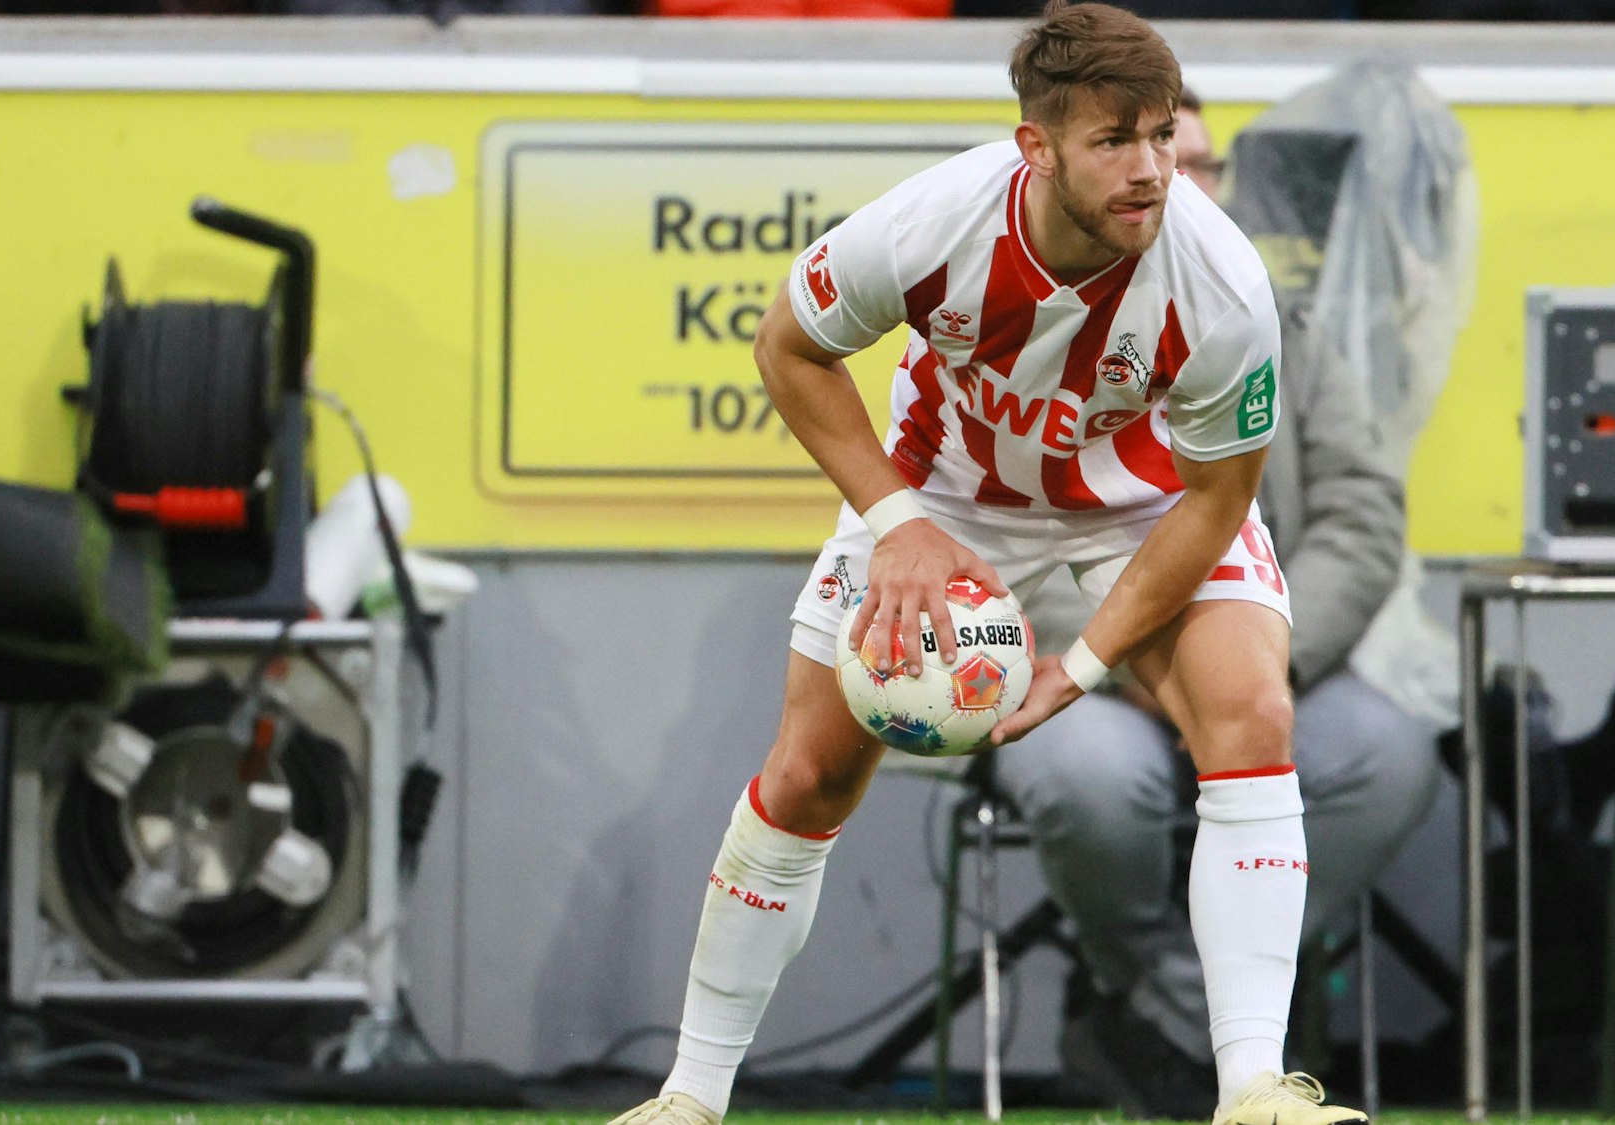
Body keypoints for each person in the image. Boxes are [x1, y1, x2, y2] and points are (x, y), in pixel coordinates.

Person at [608, 5, 1366, 1124]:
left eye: (1161, 136)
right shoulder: (932, 225)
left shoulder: (1222, 286)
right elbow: (789, 346)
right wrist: (899, 523)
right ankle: (687, 1100)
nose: (1151, 170)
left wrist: (1087, 664)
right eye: (1114, 141)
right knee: (807, 774)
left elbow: (1215, 502)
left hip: (1139, 509)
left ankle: (1253, 1088)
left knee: (1251, 711)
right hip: (944, 500)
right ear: (1036, 148)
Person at [994, 92, 1441, 1120]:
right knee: (1089, 786)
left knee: (1384, 759)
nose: (1174, 186)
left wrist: (1262, 664)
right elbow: (992, 532)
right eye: (1144, 159)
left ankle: (1154, 1017)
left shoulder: (1284, 330)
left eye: (1197, 165)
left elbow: (1362, 519)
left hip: (1263, 659)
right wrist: (1130, 664)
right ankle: (1188, 1014)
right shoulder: (1011, 324)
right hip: (1084, 682)